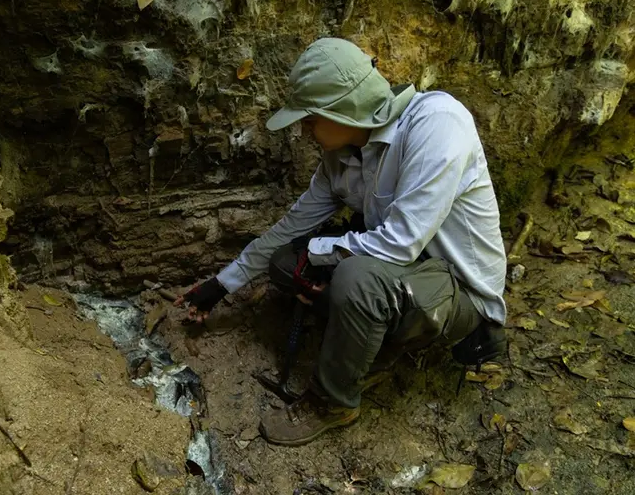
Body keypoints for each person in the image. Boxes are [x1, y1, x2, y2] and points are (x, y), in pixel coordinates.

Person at [174, 37, 508, 447]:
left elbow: (400, 244)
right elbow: (289, 229)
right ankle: (368, 343)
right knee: (285, 261)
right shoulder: (342, 157)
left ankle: (334, 401)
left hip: (459, 292)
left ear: (341, 109)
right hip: (404, 274)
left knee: (355, 277)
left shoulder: (437, 123)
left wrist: (322, 257)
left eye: (310, 118)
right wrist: (220, 285)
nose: (303, 130)